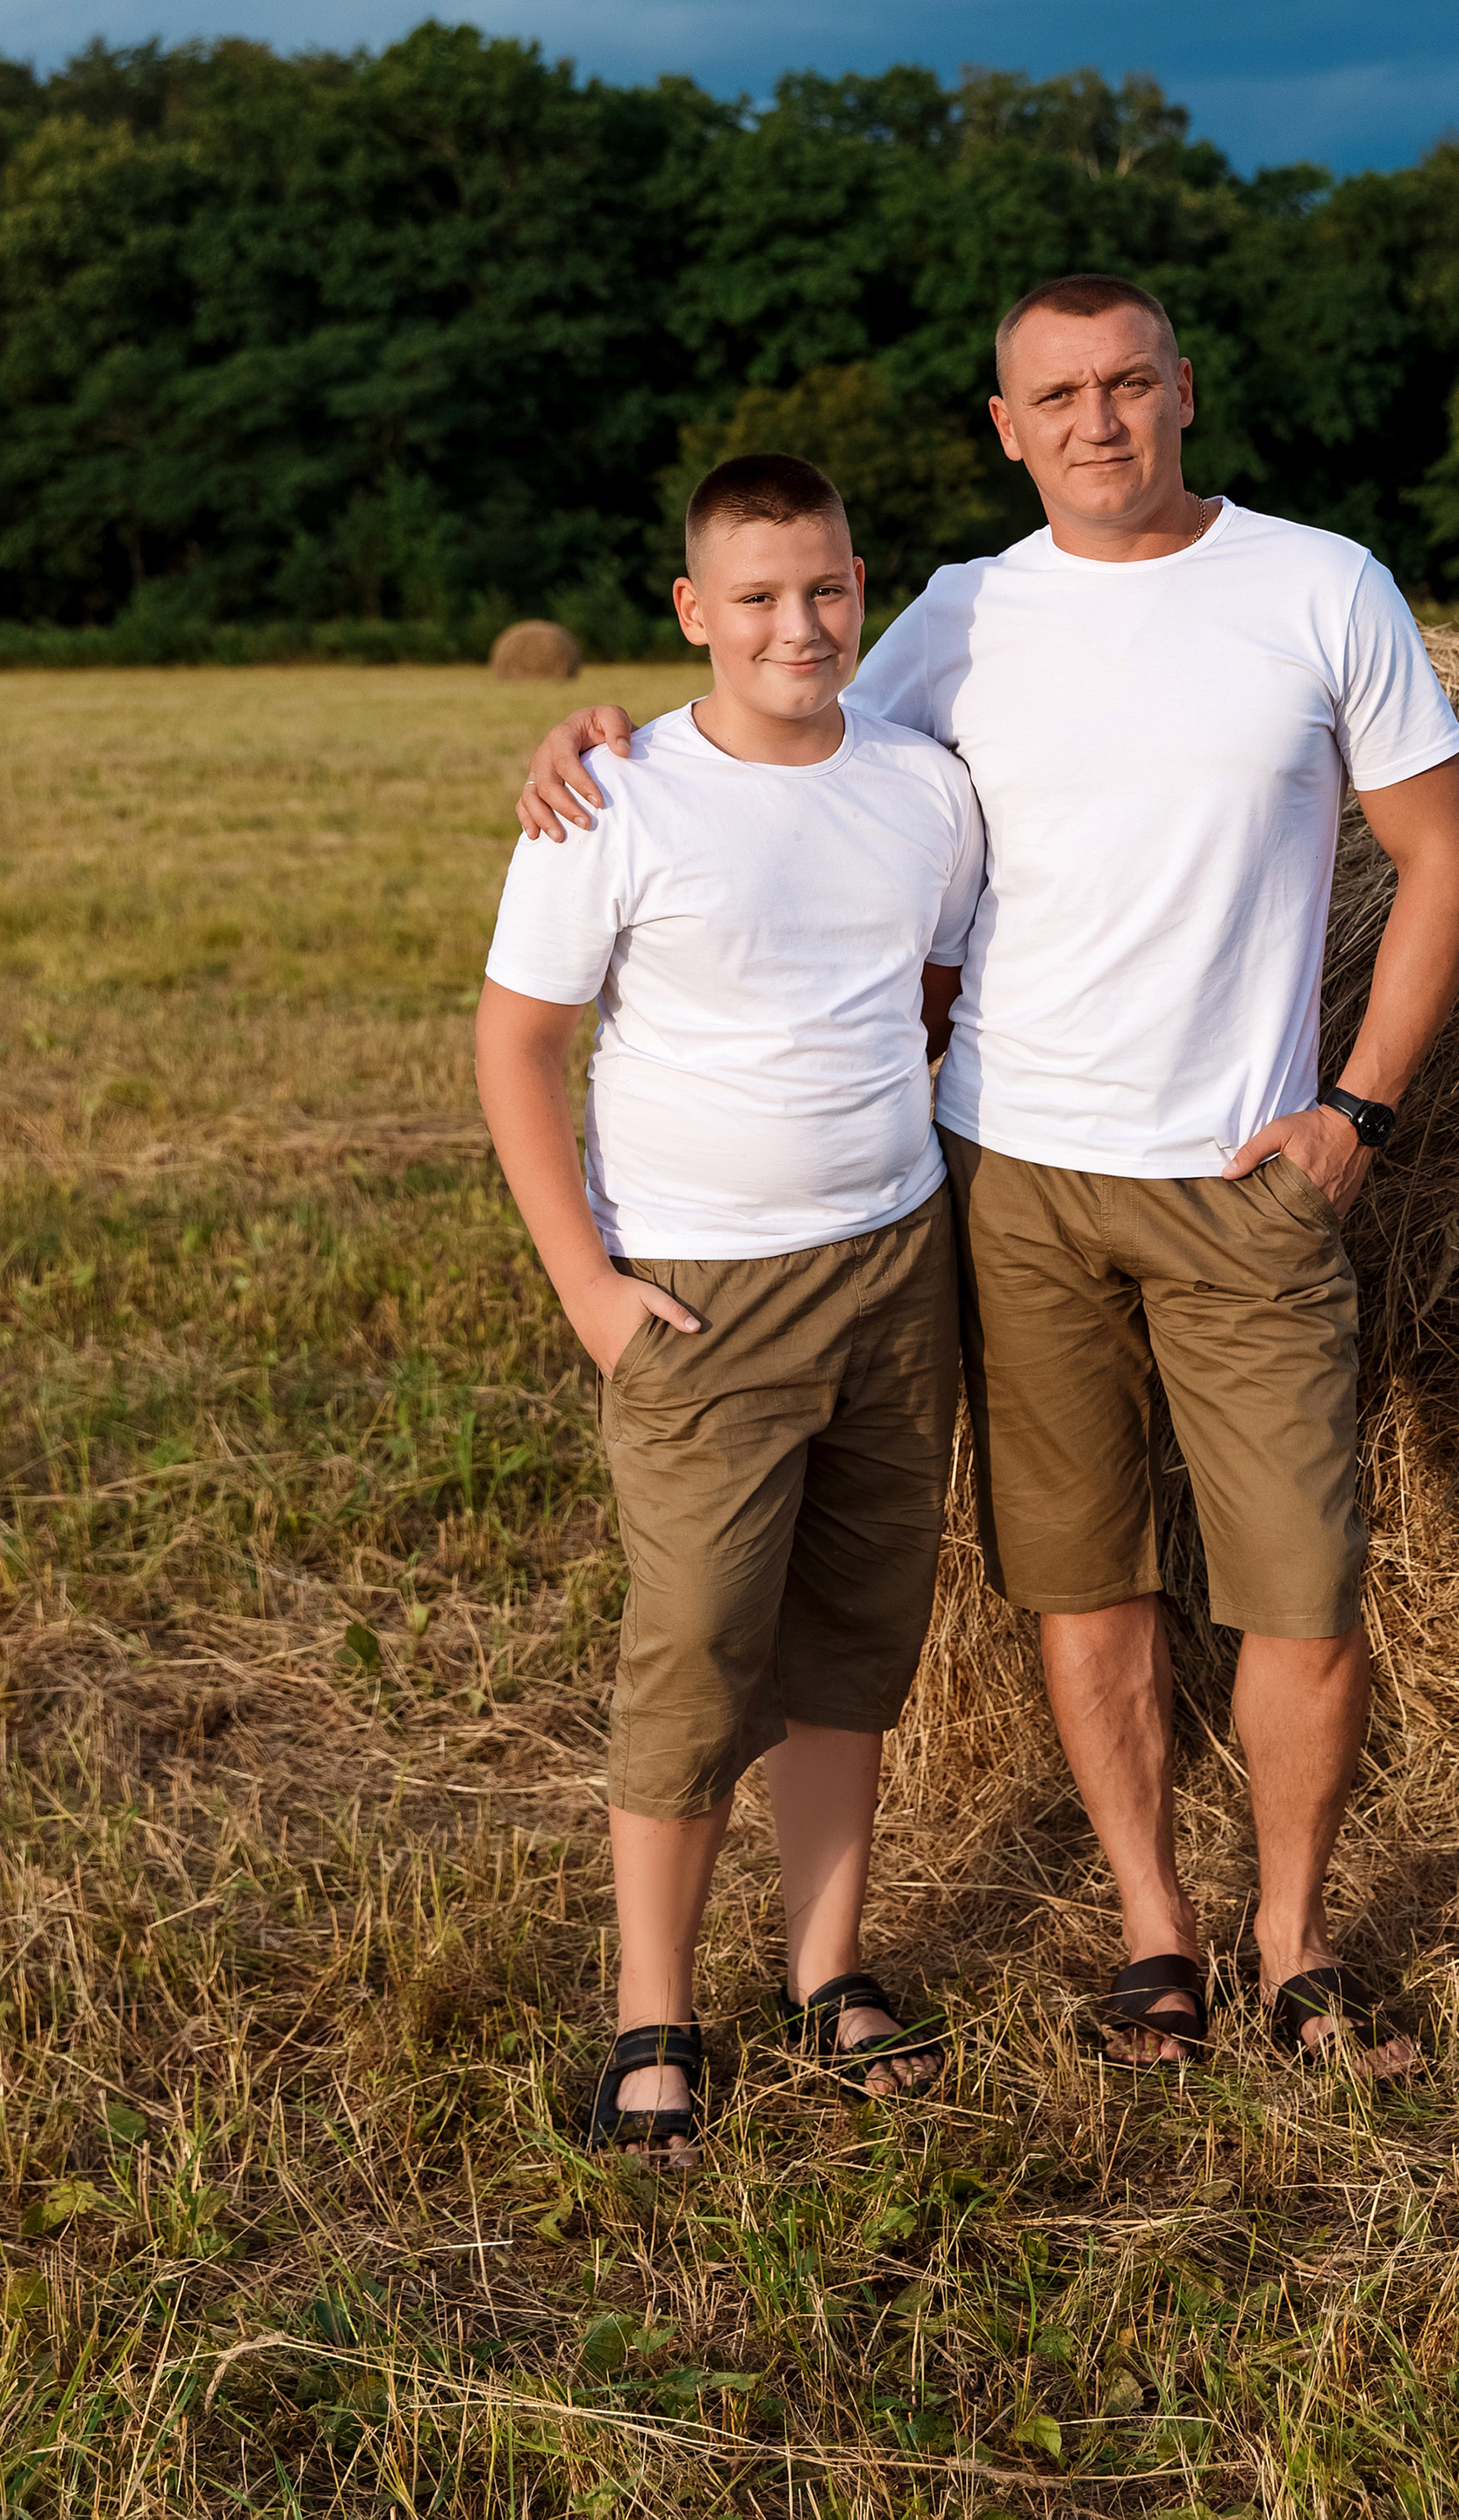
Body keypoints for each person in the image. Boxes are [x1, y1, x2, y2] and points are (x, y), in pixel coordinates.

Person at [517, 282, 1459, 2075]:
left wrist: (1356, 1113)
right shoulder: (959, 618)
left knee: (1301, 1587)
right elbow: (780, 714)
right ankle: (1152, 1935)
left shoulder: (1318, 585)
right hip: (1008, 1177)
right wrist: (598, 743)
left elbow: (1439, 855)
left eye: (1127, 385)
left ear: (1183, 393)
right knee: (1077, 1579)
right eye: (1055, 396)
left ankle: (1297, 1943)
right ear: (1002, 425)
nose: (1095, 422)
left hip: (1245, 1173)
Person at [476, 451, 984, 2162]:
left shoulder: (924, 791)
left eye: (828, 587)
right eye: (758, 596)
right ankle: (651, 2014)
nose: (800, 623)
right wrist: (588, 1289)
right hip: (692, 1299)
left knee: (851, 1640)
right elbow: (517, 1046)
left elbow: (921, 992)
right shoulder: (615, 797)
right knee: (694, 1648)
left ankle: (825, 1974)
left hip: (894, 1266)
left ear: (862, 588)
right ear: (693, 612)